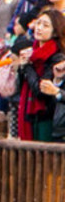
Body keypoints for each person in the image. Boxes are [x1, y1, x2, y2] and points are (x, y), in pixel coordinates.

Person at [14, 9, 65, 142]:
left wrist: (27, 66)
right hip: (29, 115)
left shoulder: (57, 57)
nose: (39, 28)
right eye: (38, 23)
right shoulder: (33, 52)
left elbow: (41, 90)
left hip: (47, 117)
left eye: (45, 25)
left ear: (55, 31)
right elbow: (20, 86)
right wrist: (22, 67)